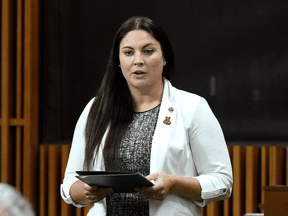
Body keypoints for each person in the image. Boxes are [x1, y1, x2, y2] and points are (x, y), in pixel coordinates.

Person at [61, 16, 233, 216]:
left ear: (164, 56)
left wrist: (174, 183)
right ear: (118, 60)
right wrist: (86, 190)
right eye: (128, 53)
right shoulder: (95, 109)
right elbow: (69, 185)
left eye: (148, 51)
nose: (138, 60)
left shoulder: (192, 107)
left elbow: (222, 181)